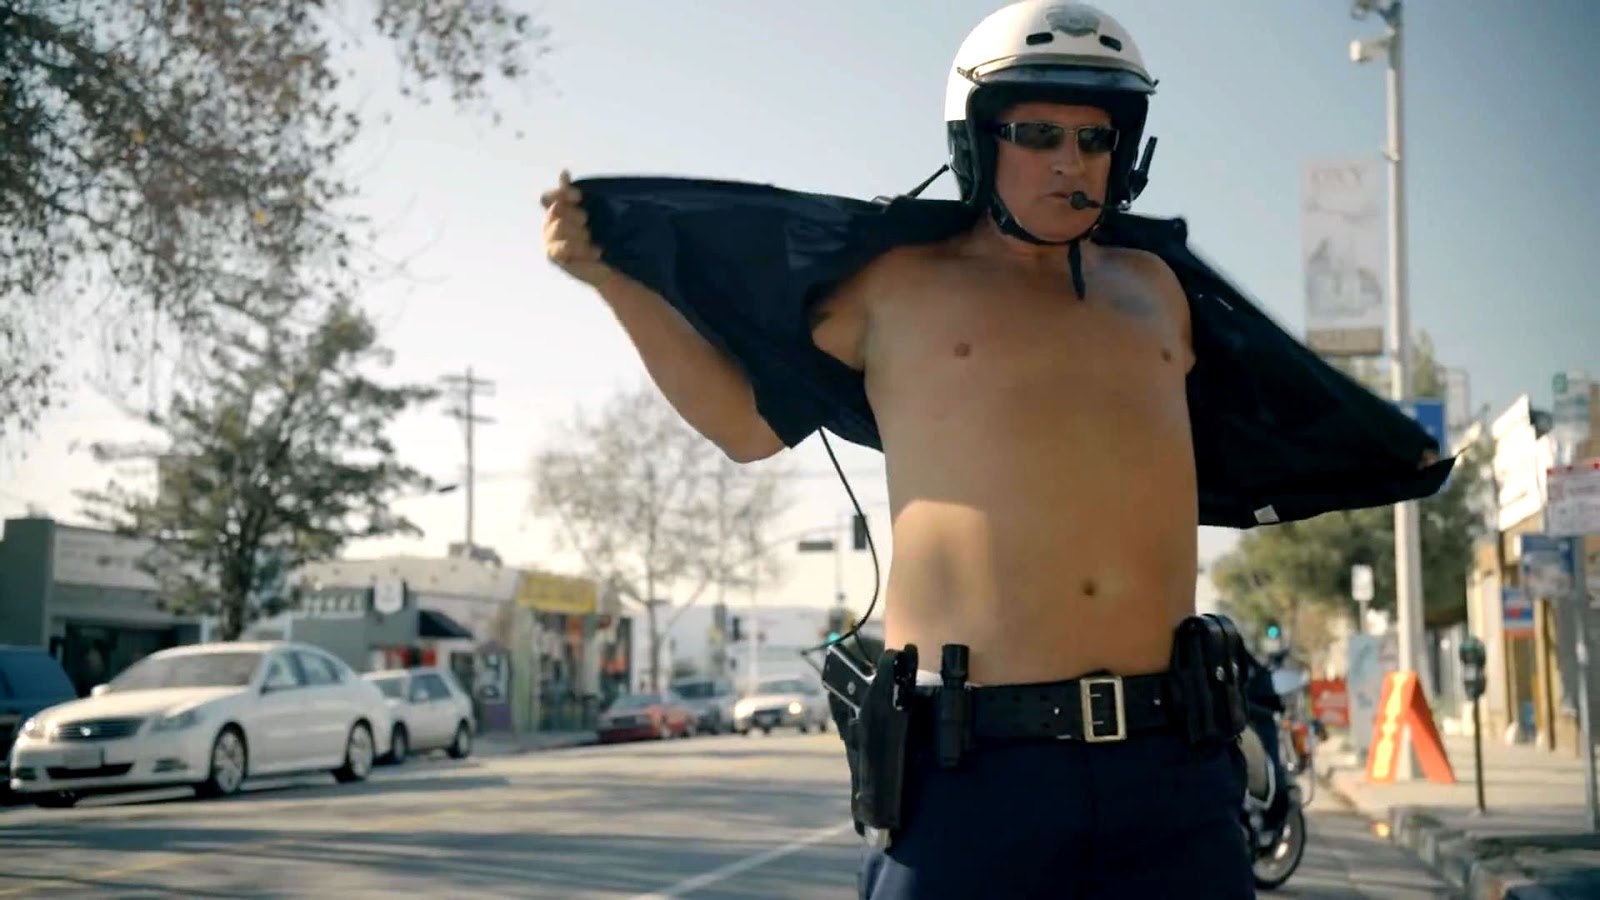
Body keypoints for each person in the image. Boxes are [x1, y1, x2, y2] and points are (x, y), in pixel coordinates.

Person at [542, 3, 1448, 897]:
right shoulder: (895, 288)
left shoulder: (1160, 291)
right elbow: (744, 428)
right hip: (974, 775)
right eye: (1037, 134)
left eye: (1094, 140)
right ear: (976, 141)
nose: (1069, 162)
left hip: (1171, 771)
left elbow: (1269, 419)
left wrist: (1379, 457)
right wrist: (611, 280)